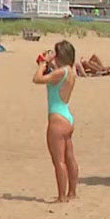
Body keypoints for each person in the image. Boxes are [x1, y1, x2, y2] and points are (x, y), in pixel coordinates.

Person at [33, 40, 79, 203]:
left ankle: (61, 196)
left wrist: (42, 63)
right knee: (69, 157)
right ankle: (72, 192)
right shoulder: (70, 71)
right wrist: (49, 62)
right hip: (66, 116)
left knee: (59, 160)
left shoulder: (61, 72)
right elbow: (53, 73)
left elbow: (37, 79)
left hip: (57, 119)